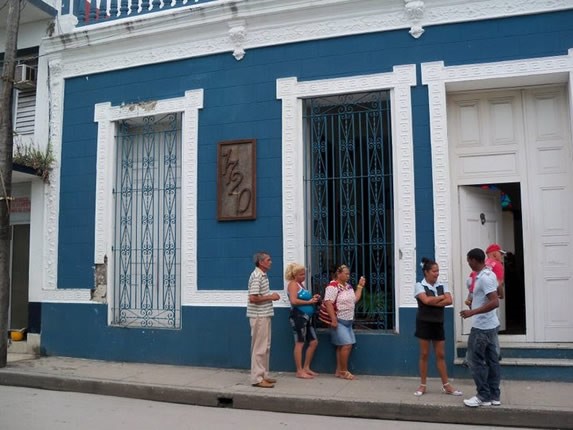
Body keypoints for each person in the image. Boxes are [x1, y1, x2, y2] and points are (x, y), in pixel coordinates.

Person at [413, 257, 462, 397]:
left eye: (438, 271)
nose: (437, 273)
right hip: (424, 323)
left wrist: (433, 301)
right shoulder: (419, 286)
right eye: (434, 271)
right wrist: (440, 298)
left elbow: (449, 300)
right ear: (426, 272)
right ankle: (422, 385)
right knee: (424, 354)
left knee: (440, 354)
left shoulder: (443, 285)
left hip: (438, 323)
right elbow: (426, 300)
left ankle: (446, 385)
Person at [460, 248, 501, 407]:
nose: (468, 263)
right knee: (492, 361)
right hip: (491, 325)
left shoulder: (484, 278)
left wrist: (472, 312)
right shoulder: (488, 274)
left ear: (474, 260)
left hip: (482, 327)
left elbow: (494, 301)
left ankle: (483, 395)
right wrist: (474, 301)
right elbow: (493, 295)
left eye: (469, 260)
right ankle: (494, 396)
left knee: (475, 361)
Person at [323, 264, 365, 380]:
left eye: (348, 273)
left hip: (348, 321)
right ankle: (344, 371)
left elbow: (354, 299)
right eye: (346, 273)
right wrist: (333, 319)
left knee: (341, 346)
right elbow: (328, 303)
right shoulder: (333, 287)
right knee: (347, 345)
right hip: (339, 320)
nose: (348, 276)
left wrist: (360, 287)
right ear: (339, 274)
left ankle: (338, 370)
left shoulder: (348, 286)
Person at [247, 252, 280, 388]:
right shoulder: (257, 276)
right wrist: (270, 297)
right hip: (259, 316)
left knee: (265, 347)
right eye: (268, 260)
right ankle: (257, 378)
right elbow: (253, 298)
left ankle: (264, 374)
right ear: (261, 262)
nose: (271, 262)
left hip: (264, 315)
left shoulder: (262, 275)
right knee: (259, 348)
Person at [285, 263, 321, 379]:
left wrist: (314, 298)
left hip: (307, 317)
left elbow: (305, 298)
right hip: (298, 316)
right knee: (300, 343)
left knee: (313, 342)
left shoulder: (301, 285)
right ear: (294, 275)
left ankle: (306, 367)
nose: (303, 276)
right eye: (301, 274)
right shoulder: (293, 284)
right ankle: (299, 371)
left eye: (304, 274)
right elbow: (294, 301)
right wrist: (310, 302)